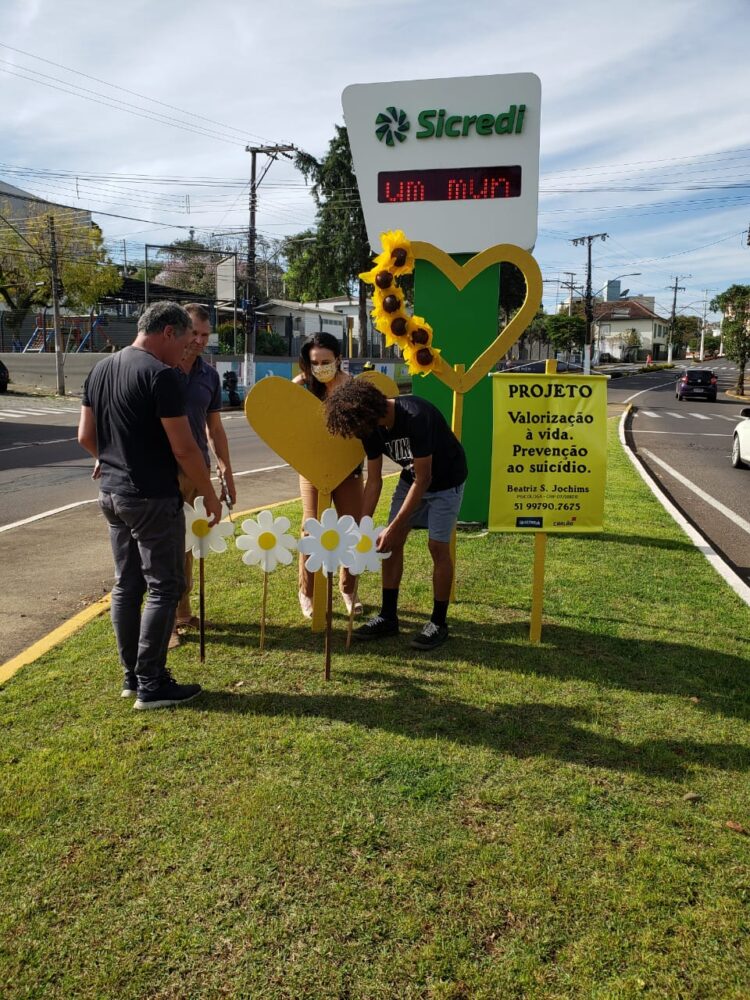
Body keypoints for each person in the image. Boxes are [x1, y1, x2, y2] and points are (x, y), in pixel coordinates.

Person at [77, 301, 223, 710]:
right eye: (187, 339)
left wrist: (109, 459)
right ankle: (152, 683)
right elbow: (185, 448)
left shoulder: (101, 369)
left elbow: (85, 435)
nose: (189, 348)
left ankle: (132, 676)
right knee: (164, 585)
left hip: (112, 494)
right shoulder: (161, 375)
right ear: (168, 332)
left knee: (127, 585)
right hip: (152, 497)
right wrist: (210, 494)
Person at [325, 379, 467, 650]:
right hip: (411, 479)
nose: (358, 433)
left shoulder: (416, 416)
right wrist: (363, 528)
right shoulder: (368, 428)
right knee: (389, 546)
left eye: (357, 427)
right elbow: (374, 481)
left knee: (437, 547)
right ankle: (388, 617)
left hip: (446, 482)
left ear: (369, 410)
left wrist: (394, 526)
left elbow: (424, 479)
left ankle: (438, 623)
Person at [169, 303, 237, 650]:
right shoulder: (160, 367)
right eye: (194, 332)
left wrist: (226, 470)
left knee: (189, 544)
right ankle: (165, 623)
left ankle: (183, 613)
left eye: (205, 335)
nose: (198, 340)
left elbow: (215, 428)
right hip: (163, 471)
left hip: (197, 470)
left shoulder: (209, 375)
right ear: (180, 330)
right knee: (166, 546)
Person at [293, 332, 363, 618]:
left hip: (349, 469)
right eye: (314, 363)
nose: (320, 367)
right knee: (311, 528)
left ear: (338, 359)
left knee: (352, 528)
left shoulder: (353, 386)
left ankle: (349, 589)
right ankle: (307, 592)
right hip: (312, 469)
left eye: (326, 362)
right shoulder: (303, 387)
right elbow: (286, 417)